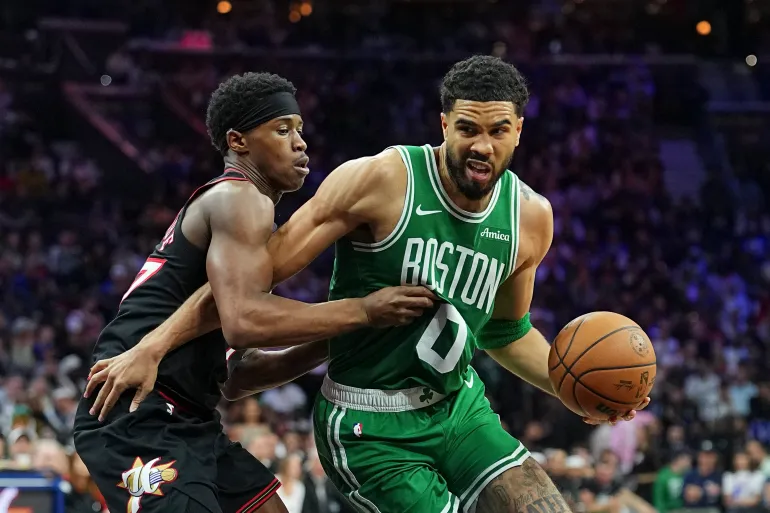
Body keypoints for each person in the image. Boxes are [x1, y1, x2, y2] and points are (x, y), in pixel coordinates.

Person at [87, 57, 649, 512]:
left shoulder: (531, 217)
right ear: (444, 125)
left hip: (457, 408)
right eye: (468, 129)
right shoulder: (377, 179)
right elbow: (246, 296)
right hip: (368, 419)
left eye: (499, 131)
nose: (483, 146)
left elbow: (505, 331)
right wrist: (152, 344)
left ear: (519, 131)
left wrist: (575, 391)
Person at [74, 72, 435, 513]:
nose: (299, 142)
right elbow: (245, 322)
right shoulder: (240, 199)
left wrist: (340, 337)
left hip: (188, 417)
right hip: (135, 407)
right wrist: (363, 310)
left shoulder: (244, 221)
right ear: (238, 142)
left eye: (300, 129)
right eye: (282, 130)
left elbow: (239, 376)